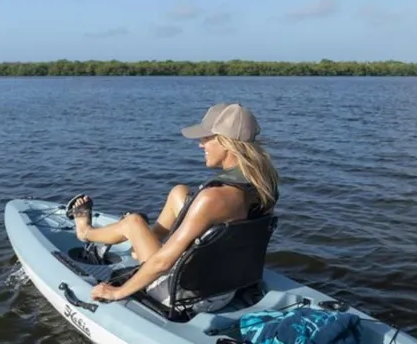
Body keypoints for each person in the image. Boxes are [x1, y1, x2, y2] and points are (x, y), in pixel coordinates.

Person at [65, 102, 280, 309]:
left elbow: (163, 263)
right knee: (179, 192)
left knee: (133, 222)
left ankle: (85, 232)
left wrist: (116, 292)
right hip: (229, 284)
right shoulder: (264, 182)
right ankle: (147, 240)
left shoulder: (213, 198)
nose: (201, 144)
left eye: (206, 138)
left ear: (225, 142)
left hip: (191, 295)